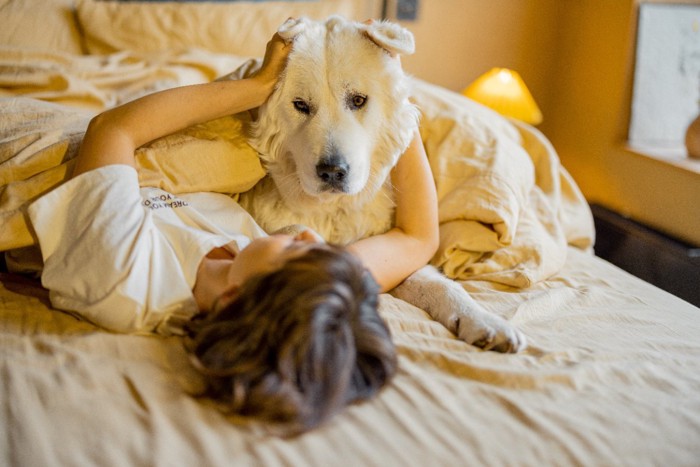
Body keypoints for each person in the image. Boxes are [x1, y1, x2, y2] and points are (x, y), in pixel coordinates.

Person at [27, 30, 438, 433]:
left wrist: (256, 87)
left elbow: (112, 130)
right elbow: (417, 238)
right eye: (324, 252)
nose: (310, 238)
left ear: (233, 298)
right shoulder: (277, 273)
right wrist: (390, 89)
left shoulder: (126, 277)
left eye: (299, 253)